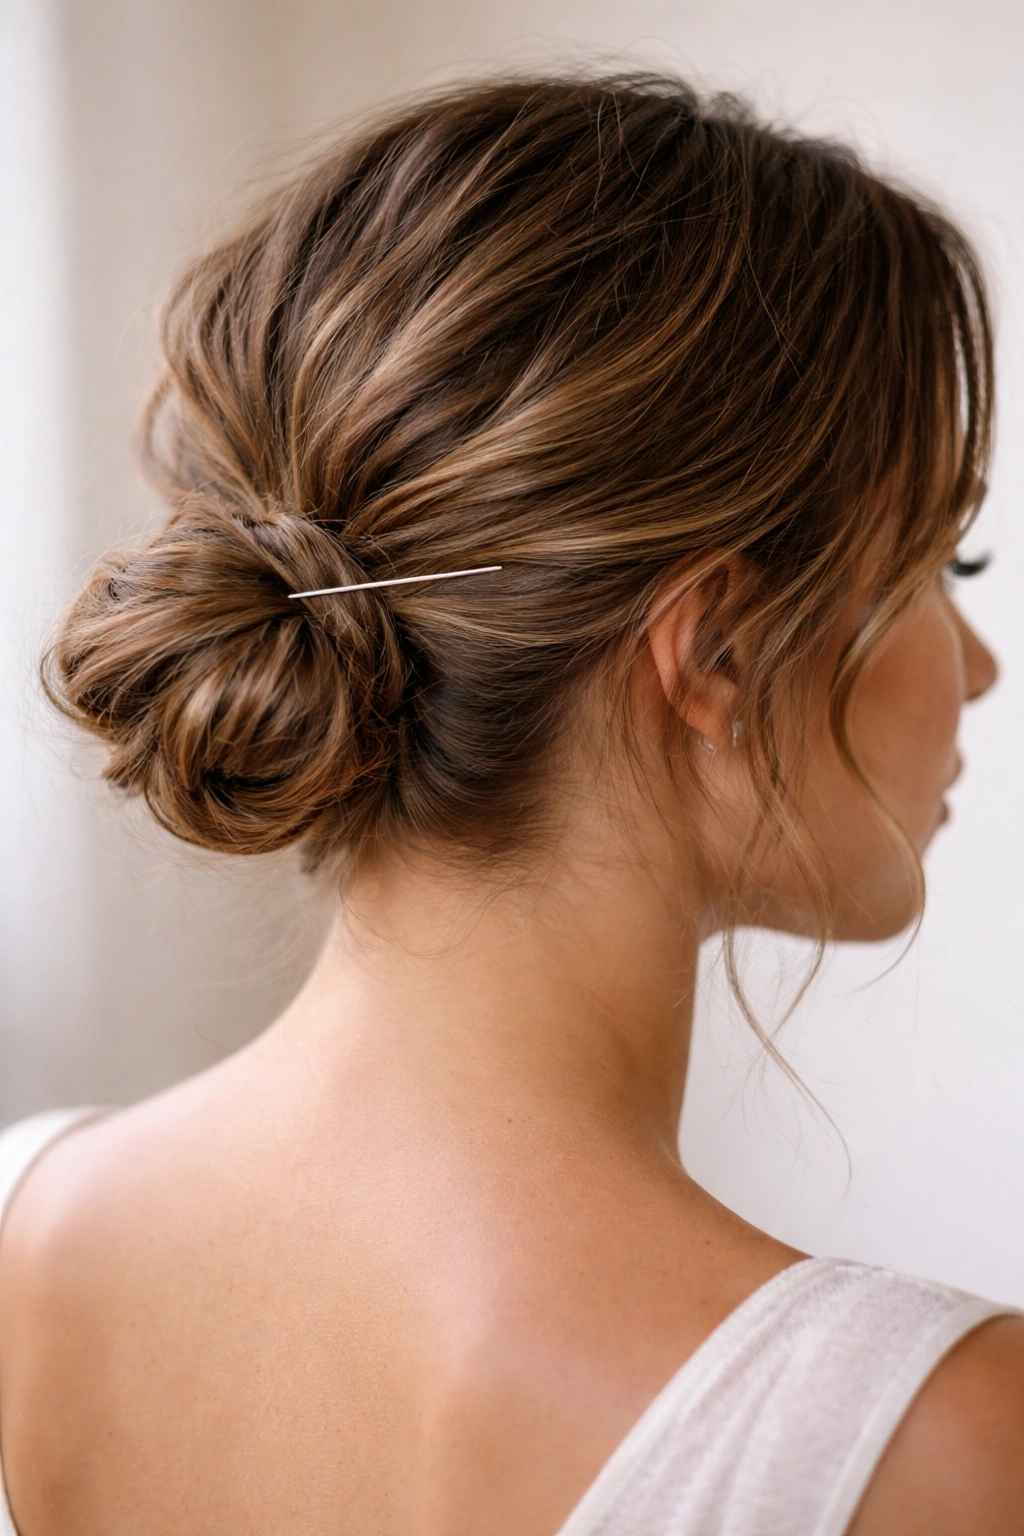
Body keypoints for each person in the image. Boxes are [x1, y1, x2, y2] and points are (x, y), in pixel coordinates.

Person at [0, 72, 1021, 1536]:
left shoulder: (25, 1231)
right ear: (719, 649)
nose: (977, 665)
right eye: (938, 568)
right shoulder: (931, 1448)